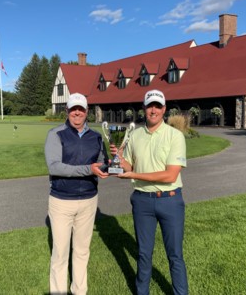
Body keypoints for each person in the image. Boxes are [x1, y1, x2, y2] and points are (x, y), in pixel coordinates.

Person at [111, 89, 189, 295]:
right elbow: (128, 166)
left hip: (170, 201)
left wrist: (134, 174)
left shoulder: (175, 136)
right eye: (149, 106)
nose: (153, 110)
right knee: (144, 254)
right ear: (144, 108)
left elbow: (170, 175)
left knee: (175, 255)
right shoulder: (134, 135)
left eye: (157, 106)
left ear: (164, 109)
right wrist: (118, 159)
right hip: (142, 201)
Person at [44, 93, 109, 295]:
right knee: (60, 254)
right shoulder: (56, 134)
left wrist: (112, 162)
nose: (77, 113)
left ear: (86, 111)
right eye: (73, 109)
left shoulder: (96, 137)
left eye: (81, 109)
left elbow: (103, 162)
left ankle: (80, 291)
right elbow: (55, 167)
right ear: (67, 111)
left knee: (82, 251)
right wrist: (88, 169)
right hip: (61, 201)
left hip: (89, 201)